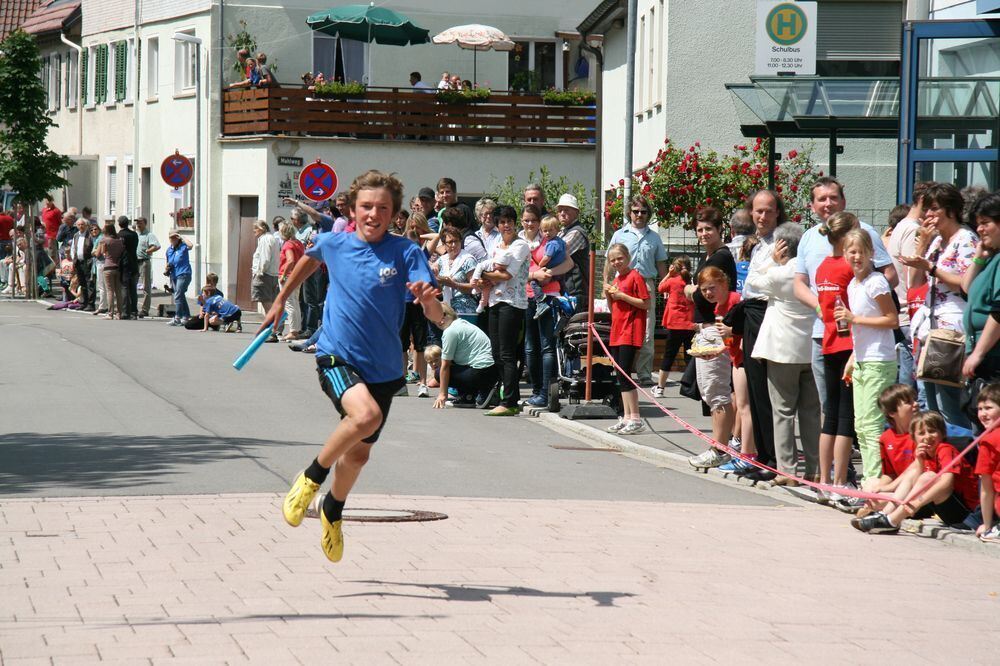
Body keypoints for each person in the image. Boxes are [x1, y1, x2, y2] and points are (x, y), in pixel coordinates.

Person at [262, 169, 440, 563]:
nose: (373, 214)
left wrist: (427, 300)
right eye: (366, 207)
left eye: (382, 208)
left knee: (359, 454)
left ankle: (332, 509)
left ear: (394, 213)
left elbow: (436, 312)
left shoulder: (406, 252)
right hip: (337, 354)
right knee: (366, 415)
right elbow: (307, 261)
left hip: (384, 367)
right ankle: (310, 478)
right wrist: (279, 301)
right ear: (353, 208)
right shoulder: (335, 243)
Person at [794, 177, 896, 414]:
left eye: (833, 197)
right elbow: (799, 284)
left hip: (857, 334)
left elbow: (889, 275)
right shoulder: (808, 237)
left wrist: (861, 306)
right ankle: (842, 451)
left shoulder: (863, 231)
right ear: (812, 206)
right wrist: (820, 308)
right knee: (829, 405)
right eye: (822, 199)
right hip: (822, 333)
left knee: (857, 405)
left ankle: (858, 449)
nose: (828, 203)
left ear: (844, 201)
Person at [747, 222, 820, 485]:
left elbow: (753, 281)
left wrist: (772, 262)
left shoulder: (781, 273)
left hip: (781, 349)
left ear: (781, 246)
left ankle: (788, 470)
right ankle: (814, 467)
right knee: (811, 412)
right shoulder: (811, 271)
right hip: (809, 348)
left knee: (783, 411)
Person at [902, 182, 977, 429]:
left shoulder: (965, 239)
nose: (928, 216)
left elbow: (967, 283)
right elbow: (913, 284)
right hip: (930, 329)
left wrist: (932, 268)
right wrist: (922, 245)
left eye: (934, 209)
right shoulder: (937, 242)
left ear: (951, 210)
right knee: (930, 405)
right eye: (926, 210)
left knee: (948, 405)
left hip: (951, 329)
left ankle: (961, 459)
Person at [838, 228, 900, 499]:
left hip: (879, 359)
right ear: (845, 255)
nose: (856, 256)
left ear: (871, 254)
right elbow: (857, 330)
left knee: (872, 424)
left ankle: (873, 482)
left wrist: (854, 319)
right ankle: (869, 479)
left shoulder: (876, 282)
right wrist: (853, 357)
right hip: (863, 358)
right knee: (860, 425)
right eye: (851, 252)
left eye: (861, 252)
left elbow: (891, 319)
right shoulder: (853, 285)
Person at [852, 411, 979, 534]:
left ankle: (892, 520)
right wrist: (919, 461)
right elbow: (912, 477)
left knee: (927, 477)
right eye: (922, 433)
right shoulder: (924, 453)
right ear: (913, 437)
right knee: (883, 485)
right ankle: (885, 514)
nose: (927, 436)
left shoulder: (945, 449)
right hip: (940, 506)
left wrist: (914, 502)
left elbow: (947, 482)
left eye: (932, 431)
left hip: (964, 513)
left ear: (942, 433)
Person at [737, 190, 786, 480]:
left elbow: (769, 284)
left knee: (769, 390)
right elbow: (752, 282)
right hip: (751, 313)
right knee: (754, 388)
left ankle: (774, 459)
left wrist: (762, 276)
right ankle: (762, 455)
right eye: (758, 211)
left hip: (769, 312)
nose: (762, 216)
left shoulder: (781, 242)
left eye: (768, 211)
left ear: (777, 212)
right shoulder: (757, 244)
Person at [813, 212, 860, 502]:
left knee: (830, 414)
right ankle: (840, 480)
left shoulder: (823, 267)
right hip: (849, 343)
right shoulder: (848, 267)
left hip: (829, 340)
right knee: (846, 416)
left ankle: (823, 479)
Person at [473, 205, 530, 416]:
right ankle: (504, 394)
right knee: (496, 352)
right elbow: (493, 267)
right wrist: (485, 276)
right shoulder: (497, 244)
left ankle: (510, 401)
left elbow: (508, 275)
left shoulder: (520, 245)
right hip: (495, 302)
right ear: (497, 225)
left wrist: (484, 276)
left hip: (513, 303)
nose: (506, 225)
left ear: (515, 224)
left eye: (509, 222)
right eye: (502, 222)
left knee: (507, 353)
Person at [608, 195, 667, 386]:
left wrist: (666, 287)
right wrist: (605, 284)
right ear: (629, 213)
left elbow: (661, 264)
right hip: (622, 283)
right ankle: (623, 372)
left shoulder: (654, 237)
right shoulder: (619, 234)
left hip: (646, 282)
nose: (639, 215)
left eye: (643, 212)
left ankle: (643, 373)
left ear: (648, 214)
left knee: (647, 330)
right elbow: (611, 260)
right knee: (622, 327)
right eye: (635, 211)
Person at [687, 266, 740, 468]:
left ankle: (720, 449)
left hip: (736, 356)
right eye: (704, 290)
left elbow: (738, 330)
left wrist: (720, 349)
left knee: (719, 396)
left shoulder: (734, 301)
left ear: (724, 283)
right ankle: (718, 446)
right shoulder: (718, 306)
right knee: (711, 395)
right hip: (725, 351)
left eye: (712, 288)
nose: (708, 293)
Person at [604, 243, 650, 435]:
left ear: (627, 257)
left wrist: (622, 296)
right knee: (620, 376)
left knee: (625, 374)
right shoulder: (617, 279)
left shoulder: (635, 276)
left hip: (630, 331)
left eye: (619, 258)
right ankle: (627, 416)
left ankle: (636, 417)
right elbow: (611, 306)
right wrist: (609, 294)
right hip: (617, 330)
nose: (616, 263)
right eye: (613, 260)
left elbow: (645, 303)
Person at [520, 208, 562, 408]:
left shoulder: (548, 238)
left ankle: (546, 393)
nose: (530, 224)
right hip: (525, 297)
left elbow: (568, 263)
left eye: (533, 220)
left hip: (547, 295)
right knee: (530, 347)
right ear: (521, 221)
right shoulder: (518, 242)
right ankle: (537, 391)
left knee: (547, 346)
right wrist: (534, 276)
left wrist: (547, 272)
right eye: (526, 220)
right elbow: (514, 273)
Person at [886, 186, 925, 388]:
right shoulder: (912, 228)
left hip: (903, 312)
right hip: (908, 312)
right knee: (909, 386)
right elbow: (913, 276)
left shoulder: (901, 225)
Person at [962, 192, 1000, 383]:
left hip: (993, 357)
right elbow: (966, 289)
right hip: (984, 355)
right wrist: (978, 259)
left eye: (986, 222)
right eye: (978, 224)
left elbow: (999, 310)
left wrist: (978, 353)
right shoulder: (992, 257)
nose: (980, 229)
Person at [430, 305, 498, 408]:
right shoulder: (462, 323)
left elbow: (445, 365)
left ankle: (480, 391)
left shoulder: (450, 331)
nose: (440, 320)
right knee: (456, 365)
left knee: (439, 373)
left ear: (450, 313)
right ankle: (470, 396)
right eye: (435, 319)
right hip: (491, 370)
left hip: (481, 371)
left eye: (443, 315)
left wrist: (442, 394)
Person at [653, 256, 695, 398]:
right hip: (690, 323)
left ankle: (660, 388)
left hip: (675, 323)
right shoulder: (692, 282)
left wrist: (668, 275)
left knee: (669, 356)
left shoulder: (672, 281)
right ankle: (694, 387)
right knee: (690, 356)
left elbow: (660, 288)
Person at [433, 227, 478, 320]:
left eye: (456, 241)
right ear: (444, 245)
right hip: (447, 311)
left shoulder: (468, 260)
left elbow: (475, 287)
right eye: (450, 242)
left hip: (465, 311)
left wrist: (454, 284)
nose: (453, 245)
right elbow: (433, 274)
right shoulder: (442, 260)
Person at [974, 384, 1000, 542]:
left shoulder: (989, 441)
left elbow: (986, 489)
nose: (983, 414)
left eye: (988, 408)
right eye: (980, 409)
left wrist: (987, 525)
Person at [556, 193, 590, 313]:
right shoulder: (561, 232)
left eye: (566, 210)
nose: (562, 213)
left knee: (574, 327)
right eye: (560, 210)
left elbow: (556, 254)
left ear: (576, 212)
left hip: (575, 290)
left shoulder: (576, 233)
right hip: (565, 288)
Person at [278, 223, 305, 341]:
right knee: (295, 303)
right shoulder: (298, 243)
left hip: (288, 276)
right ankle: (297, 329)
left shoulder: (288, 245)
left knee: (289, 304)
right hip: (297, 276)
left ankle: (293, 331)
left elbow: (290, 261)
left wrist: (283, 275)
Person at [251, 220, 281, 328]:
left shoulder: (264, 239)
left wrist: (260, 272)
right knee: (271, 302)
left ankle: (272, 328)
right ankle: (276, 326)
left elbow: (265, 259)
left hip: (265, 275)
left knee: (266, 303)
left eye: (255, 229)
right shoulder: (273, 238)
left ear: (261, 229)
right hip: (272, 274)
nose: (254, 232)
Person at [94, 222, 124, 319]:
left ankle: (110, 313)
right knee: (118, 291)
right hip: (118, 267)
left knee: (110, 291)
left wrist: (94, 251)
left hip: (108, 267)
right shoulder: (119, 241)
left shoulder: (104, 240)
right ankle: (119, 313)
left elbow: (99, 253)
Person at [165, 229, 193, 326]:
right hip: (174, 275)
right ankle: (186, 316)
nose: (173, 239)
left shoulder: (183, 247)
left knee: (178, 294)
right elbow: (168, 263)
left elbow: (191, 245)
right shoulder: (169, 250)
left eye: (175, 237)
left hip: (184, 273)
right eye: (171, 237)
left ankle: (177, 317)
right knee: (180, 295)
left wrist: (182, 237)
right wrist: (167, 269)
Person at [134, 217, 159, 318]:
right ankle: (133, 307)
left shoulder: (149, 235)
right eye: (137, 223)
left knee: (146, 286)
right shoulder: (136, 234)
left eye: (140, 223)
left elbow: (157, 245)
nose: (138, 225)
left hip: (144, 261)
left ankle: (145, 309)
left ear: (145, 223)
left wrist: (150, 250)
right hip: (135, 261)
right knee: (133, 284)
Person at [70, 217, 95, 311]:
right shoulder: (76, 235)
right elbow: (73, 248)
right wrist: (73, 259)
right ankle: (83, 302)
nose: (80, 226)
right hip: (78, 262)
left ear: (86, 225)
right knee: (82, 283)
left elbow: (93, 247)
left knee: (89, 283)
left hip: (88, 262)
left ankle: (90, 304)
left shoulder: (90, 235)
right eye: (79, 224)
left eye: (82, 224)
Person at [117, 216, 139, 319]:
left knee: (125, 288)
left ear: (119, 224)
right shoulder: (134, 234)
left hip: (124, 264)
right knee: (133, 288)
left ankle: (125, 311)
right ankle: (134, 311)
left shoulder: (119, 236)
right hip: (134, 262)